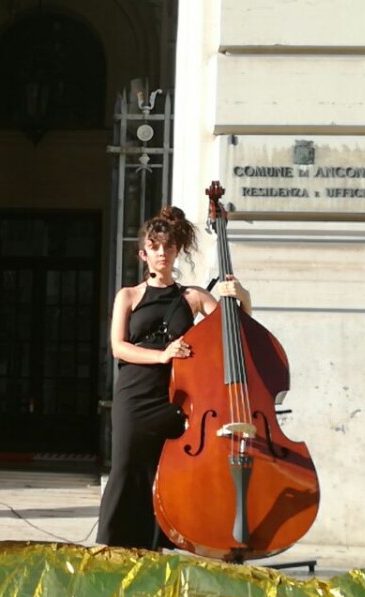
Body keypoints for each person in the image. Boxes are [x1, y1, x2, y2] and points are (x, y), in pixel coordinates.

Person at [97, 206, 251, 549]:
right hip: (135, 395)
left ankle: (158, 545)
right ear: (144, 254)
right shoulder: (129, 295)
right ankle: (113, 546)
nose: (161, 253)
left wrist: (242, 297)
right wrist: (162, 354)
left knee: (163, 472)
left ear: (176, 250)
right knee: (124, 467)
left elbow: (235, 332)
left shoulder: (192, 297)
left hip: (174, 397)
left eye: (167, 247)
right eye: (154, 248)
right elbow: (119, 348)